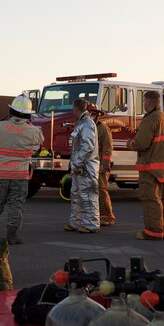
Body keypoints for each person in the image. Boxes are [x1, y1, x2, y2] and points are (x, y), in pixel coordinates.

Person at [0, 93, 44, 244]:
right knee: (16, 205)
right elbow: (36, 147)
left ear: (11, 111)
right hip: (20, 176)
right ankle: (12, 235)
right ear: (28, 115)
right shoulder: (33, 131)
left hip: (0, 174)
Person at [128, 90, 164, 240]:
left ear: (148, 103)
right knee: (162, 200)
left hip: (150, 168)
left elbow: (142, 144)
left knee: (150, 200)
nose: (143, 105)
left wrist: (130, 143)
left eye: (144, 102)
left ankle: (153, 231)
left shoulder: (150, 119)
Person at [63, 98, 100, 234]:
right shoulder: (81, 123)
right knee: (76, 194)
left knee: (87, 194)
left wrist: (77, 163)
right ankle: (76, 221)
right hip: (79, 166)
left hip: (86, 166)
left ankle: (91, 223)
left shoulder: (87, 124)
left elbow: (87, 147)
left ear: (76, 109)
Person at [86, 101, 115, 226]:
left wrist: (105, 164)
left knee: (101, 189)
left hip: (99, 165)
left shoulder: (103, 129)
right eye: (90, 113)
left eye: (94, 114)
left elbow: (108, 148)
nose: (92, 116)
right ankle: (94, 215)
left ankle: (107, 217)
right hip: (88, 164)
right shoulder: (84, 127)